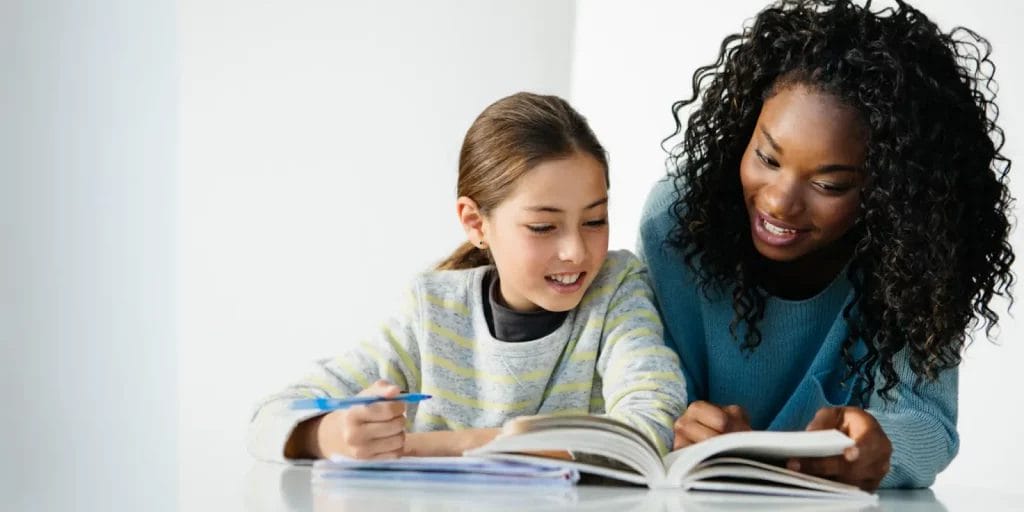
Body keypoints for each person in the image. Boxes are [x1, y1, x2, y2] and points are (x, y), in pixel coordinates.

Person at [638, 0, 1013, 491]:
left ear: (890, 193)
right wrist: (681, 427)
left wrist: (878, 449)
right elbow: (644, 385)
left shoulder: (916, 260)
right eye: (767, 158)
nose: (778, 202)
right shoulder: (679, 220)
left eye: (829, 185)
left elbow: (929, 426)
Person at [248, 92, 687, 462]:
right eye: (543, 227)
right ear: (476, 223)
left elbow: (650, 425)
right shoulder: (433, 311)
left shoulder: (617, 289)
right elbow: (270, 418)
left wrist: (436, 445)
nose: (575, 250)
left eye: (594, 220)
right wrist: (334, 435)